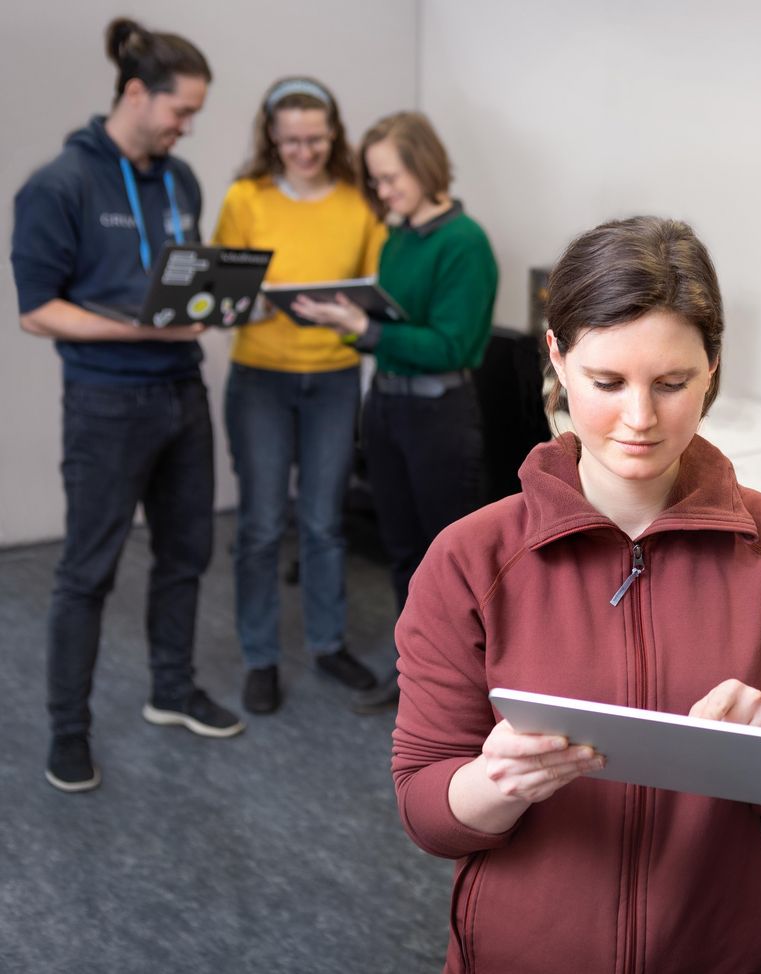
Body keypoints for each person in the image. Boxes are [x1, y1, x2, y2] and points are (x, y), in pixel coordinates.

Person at [390, 216, 761, 974]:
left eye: (672, 384)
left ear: (712, 366)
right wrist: (494, 784)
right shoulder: (469, 561)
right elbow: (427, 812)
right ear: (558, 358)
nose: (641, 420)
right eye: (607, 383)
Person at [11, 17, 243, 794]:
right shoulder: (59, 184)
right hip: (106, 404)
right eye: (182, 111)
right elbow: (36, 309)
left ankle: (171, 692)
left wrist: (216, 305)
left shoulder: (180, 181)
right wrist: (138, 327)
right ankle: (66, 733)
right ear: (137, 93)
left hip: (183, 392)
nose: (188, 127)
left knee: (187, 553)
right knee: (88, 572)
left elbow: (186, 283)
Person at [292, 111, 497, 714]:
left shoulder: (465, 241)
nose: (382, 192)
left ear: (424, 165)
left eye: (389, 178)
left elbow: (454, 346)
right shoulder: (398, 235)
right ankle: (421, 674)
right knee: (404, 551)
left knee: (447, 563)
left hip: (439, 416)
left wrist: (366, 329)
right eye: (375, 181)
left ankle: (466, 691)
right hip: (385, 409)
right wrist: (353, 324)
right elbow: (394, 327)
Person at [212, 77, 386, 714]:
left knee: (322, 522)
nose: (305, 152)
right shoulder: (245, 197)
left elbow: (375, 293)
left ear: (334, 134)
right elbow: (222, 295)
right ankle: (260, 656)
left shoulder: (358, 203)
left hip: (333, 381)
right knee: (260, 525)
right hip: (260, 377)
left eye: (316, 139)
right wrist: (253, 304)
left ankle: (326, 643)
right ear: (271, 138)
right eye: (291, 141)